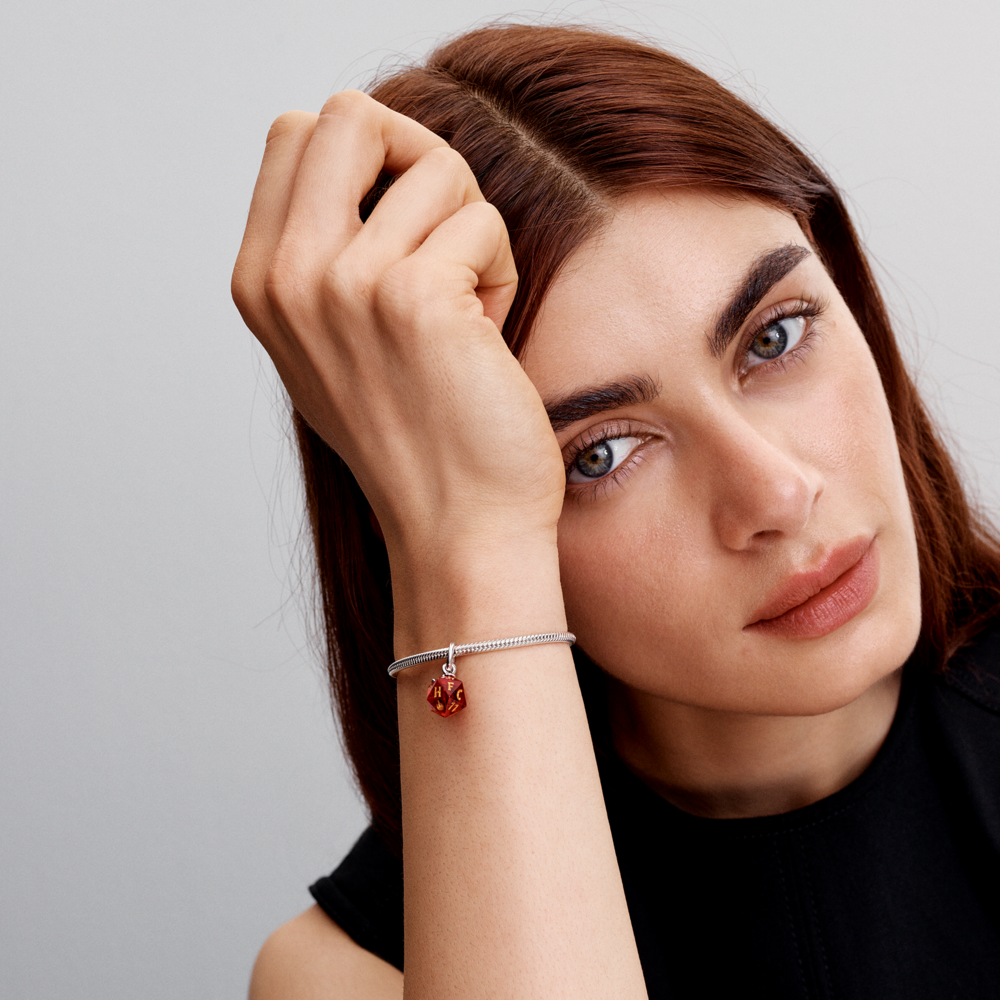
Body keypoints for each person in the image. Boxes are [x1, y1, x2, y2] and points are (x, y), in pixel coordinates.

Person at [232, 23, 1000, 1000]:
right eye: (599, 453)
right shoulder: (345, 977)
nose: (775, 495)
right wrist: (468, 542)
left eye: (775, 336)